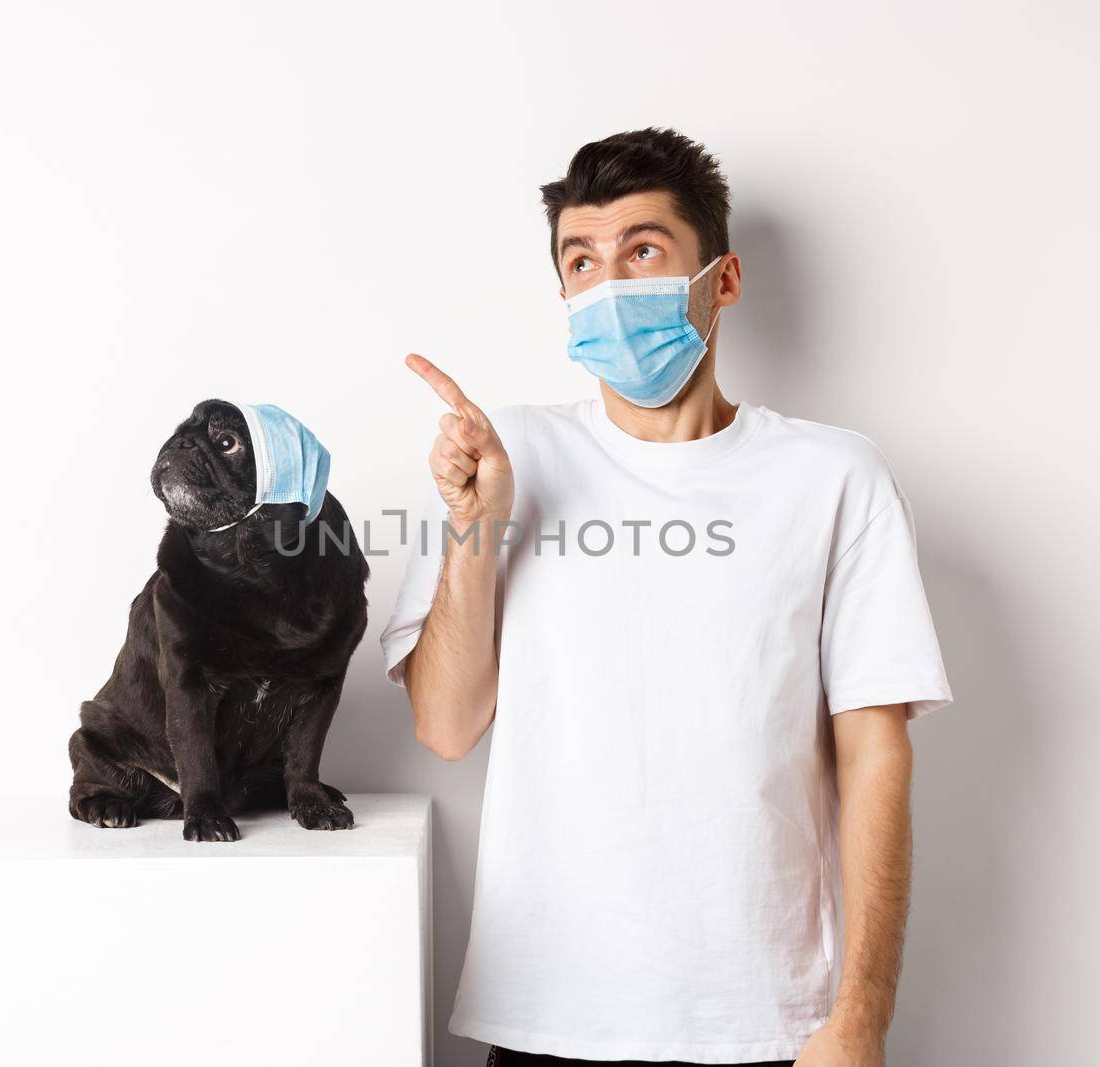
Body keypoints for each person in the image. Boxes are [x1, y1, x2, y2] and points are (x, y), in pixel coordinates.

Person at [379, 128, 954, 1067]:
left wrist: (861, 1016)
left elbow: (875, 755)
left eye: (643, 250)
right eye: (582, 260)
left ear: (721, 280)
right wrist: (479, 526)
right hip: (547, 1022)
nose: (610, 282)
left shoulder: (832, 476)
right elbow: (445, 724)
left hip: (767, 1025)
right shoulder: (505, 455)